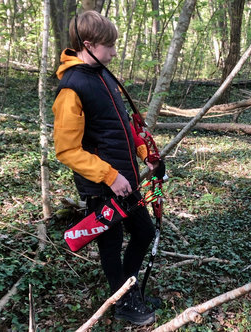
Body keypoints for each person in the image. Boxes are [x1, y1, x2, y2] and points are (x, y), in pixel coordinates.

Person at [52, 10, 161, 326]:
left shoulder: (103, 76)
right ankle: (124, 302)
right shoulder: (72, 87)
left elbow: (122, 126)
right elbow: (67, 149)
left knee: (144, 233)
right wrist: (109, 176)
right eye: (108, 46)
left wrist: (145, 154)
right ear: (88, 44)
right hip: (103, 186)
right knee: (111, 246)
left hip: (125, 181)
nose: (114, 52)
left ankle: (129, 292)